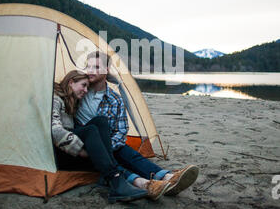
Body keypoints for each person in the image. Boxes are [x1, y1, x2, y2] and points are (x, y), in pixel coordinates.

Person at [75, 51, 199, 196]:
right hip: (85, 143)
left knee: (125, 151)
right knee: (110, 153)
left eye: (96, 67)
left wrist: (107, 146)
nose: (90, 71)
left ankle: (166, 177)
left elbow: (121, 132)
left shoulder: (115, 99)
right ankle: (145, 183)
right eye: (88, 67)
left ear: (106, 70)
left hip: (108, 143)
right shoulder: (80, 90)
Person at [51, 70, 172, 203]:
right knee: (91, 131)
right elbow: (55, 130)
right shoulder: (56, 99)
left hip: (73, 150)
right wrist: (81, 151)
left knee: (101, 121)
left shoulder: (73, 102)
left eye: (87, 86)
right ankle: (119, 180)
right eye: (83, 85)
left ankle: (135, 178)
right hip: (61, 154)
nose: (86, 90)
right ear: (71, 82)